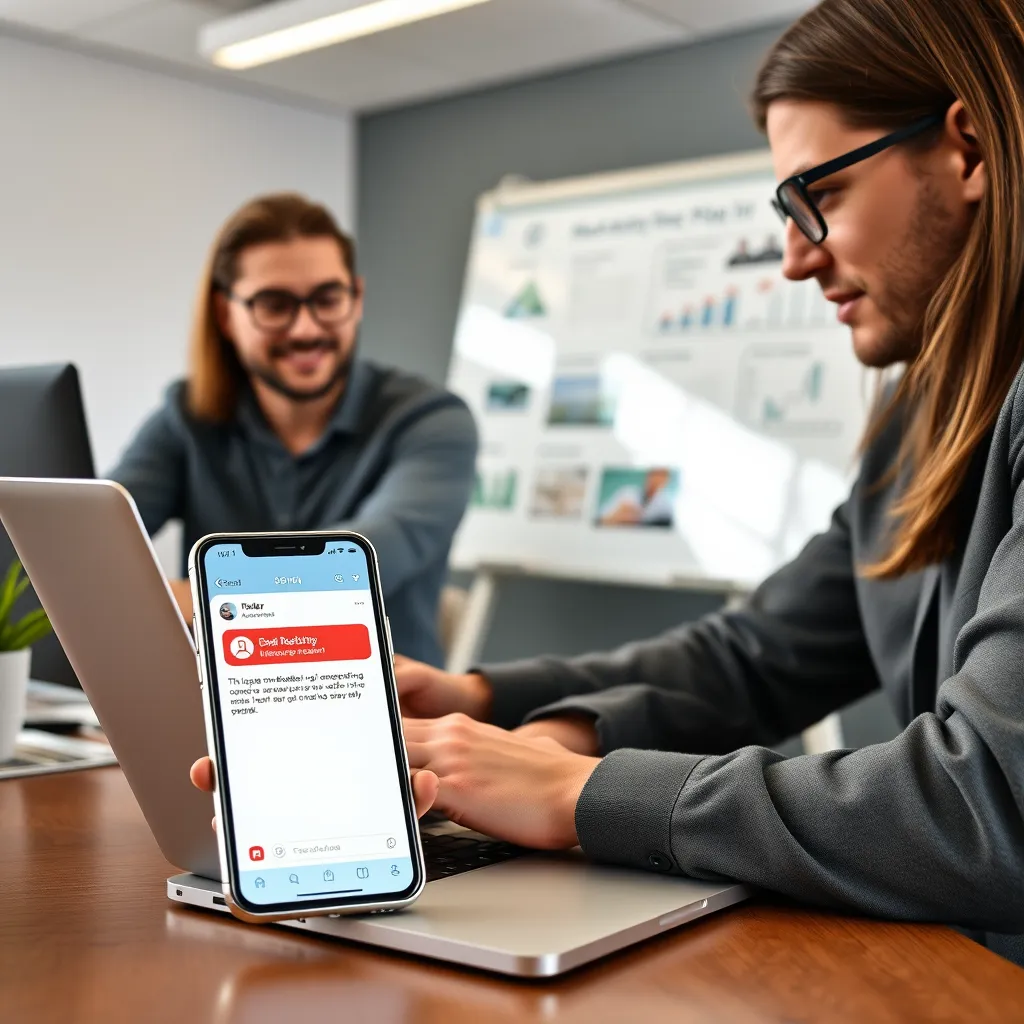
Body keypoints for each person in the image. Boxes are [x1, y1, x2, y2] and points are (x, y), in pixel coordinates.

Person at [194, 0, 1024, 964]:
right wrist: (480, 698)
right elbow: (752, 658)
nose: (794, 258)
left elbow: (993, 806)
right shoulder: (917, 425)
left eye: (818, 198)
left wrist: (578, 794)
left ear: (965, 149)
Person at [112, 194, 477, 666]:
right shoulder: (187, 417)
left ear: (357, 299)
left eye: (327, 299)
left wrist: (187, 597)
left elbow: (357, 562)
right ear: (226, 315)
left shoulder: (431, 421)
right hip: (219, 710)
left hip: (397, 718)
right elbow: (100, 542)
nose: (306, 328)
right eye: (275, 304)